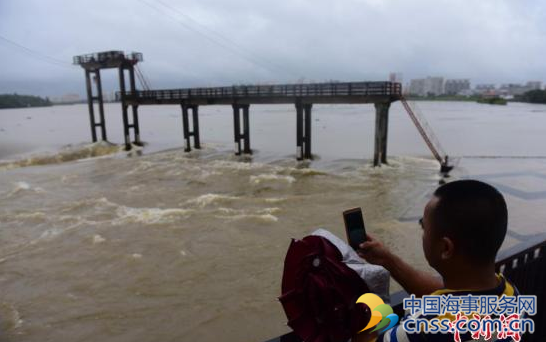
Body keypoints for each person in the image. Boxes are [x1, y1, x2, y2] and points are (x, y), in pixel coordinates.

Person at [353, 179, 519, 342]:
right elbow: (449, 298)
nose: (423, 235)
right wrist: (388, 260)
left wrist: (363, 312)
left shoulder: (421, 331)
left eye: (424, 227)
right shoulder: (511, 296)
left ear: (446, 248)